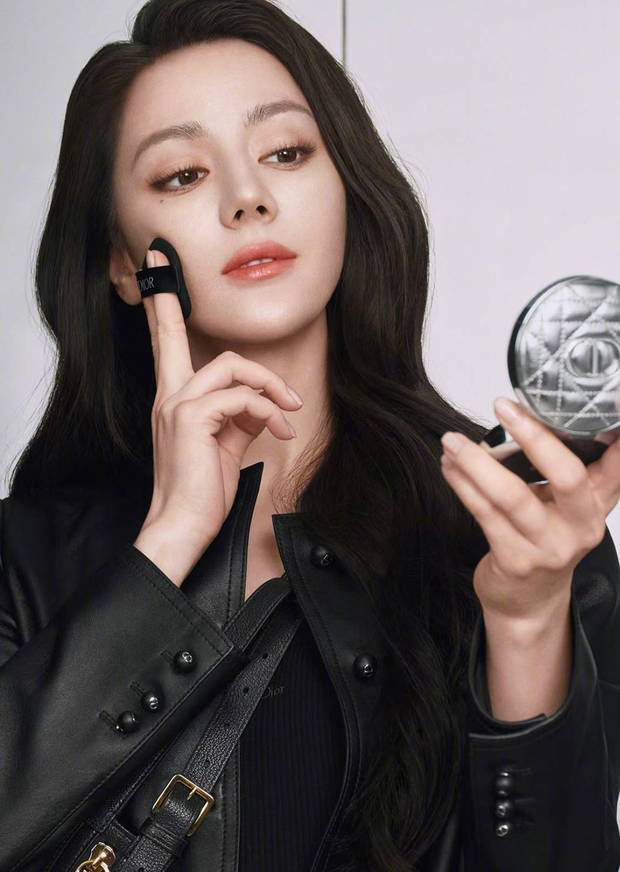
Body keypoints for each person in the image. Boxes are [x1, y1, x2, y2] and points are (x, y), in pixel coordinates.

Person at [2, 0, 620, 870]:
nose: (248, 198)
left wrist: (526, 621)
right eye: (182, 174)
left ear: (346, 190)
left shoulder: (515, 532)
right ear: (122, 262)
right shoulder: (28, 557)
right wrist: (168, 543)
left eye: (286, 153)